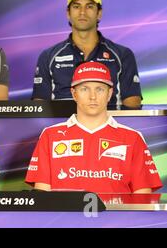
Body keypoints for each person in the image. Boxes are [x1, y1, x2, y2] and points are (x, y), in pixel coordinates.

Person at [26, 61, 162, 193]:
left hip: (118, 217)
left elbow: (142, 199)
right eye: (84, 89)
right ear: (74, 94)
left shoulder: (133, 138)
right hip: (63, 217)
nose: (92, 96)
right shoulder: (50, 135)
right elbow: (43, 197)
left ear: (109, 94)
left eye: (100, 89)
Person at [32, 0, 142, 108]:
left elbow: (133, 104)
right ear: (68, 13)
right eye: (76, 6)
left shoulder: (122, 55)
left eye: (89, 6)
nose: (82, 12)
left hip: (108, 125)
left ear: (99, 13)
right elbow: (40, 108)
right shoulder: (48, 56)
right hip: (63, 126)